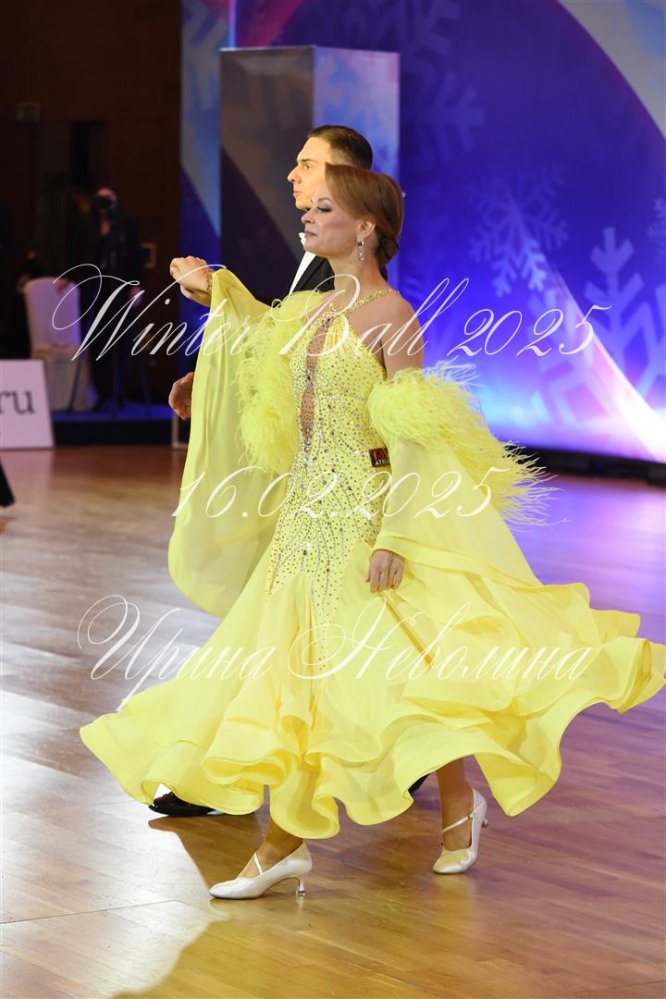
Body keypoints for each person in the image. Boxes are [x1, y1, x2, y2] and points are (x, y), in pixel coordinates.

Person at [80, 164, 664, 899]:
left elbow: (412, 434)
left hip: (365, 512)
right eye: (312, 206)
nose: (308, 216)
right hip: (305, 513)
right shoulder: (312, 308)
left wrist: (398, 537)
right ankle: (426, 811)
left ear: (365, 227)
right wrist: (212, 314)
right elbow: (258, 341)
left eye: (325, 208)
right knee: (335, 672)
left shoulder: (393, 316)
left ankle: (291, 842)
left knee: (376, 670)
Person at [156, 123, 417, 820]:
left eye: (309, 166)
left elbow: (393, 412)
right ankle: (234, 772)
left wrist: (217, 290)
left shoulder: (372, 296)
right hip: (305, 487)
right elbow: (284, 352)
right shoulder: (316, 269)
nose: (295, 178)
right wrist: (211, 379)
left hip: (349, 490)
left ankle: (399, 755)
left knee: (333, 629)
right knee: (277, 627)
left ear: (351, 186)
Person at [59, 185, 143, 411]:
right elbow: (79, 253)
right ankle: (102, 391)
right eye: (100, 199)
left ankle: (119, 390)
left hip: (120, 286)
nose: (104, 204)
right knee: (96, 339)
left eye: (108, 199)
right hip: (95, 287)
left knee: (120, 339)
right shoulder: (88, 226)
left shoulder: (125, 225)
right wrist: (68, 275)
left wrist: (136, 286)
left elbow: (135, 256)